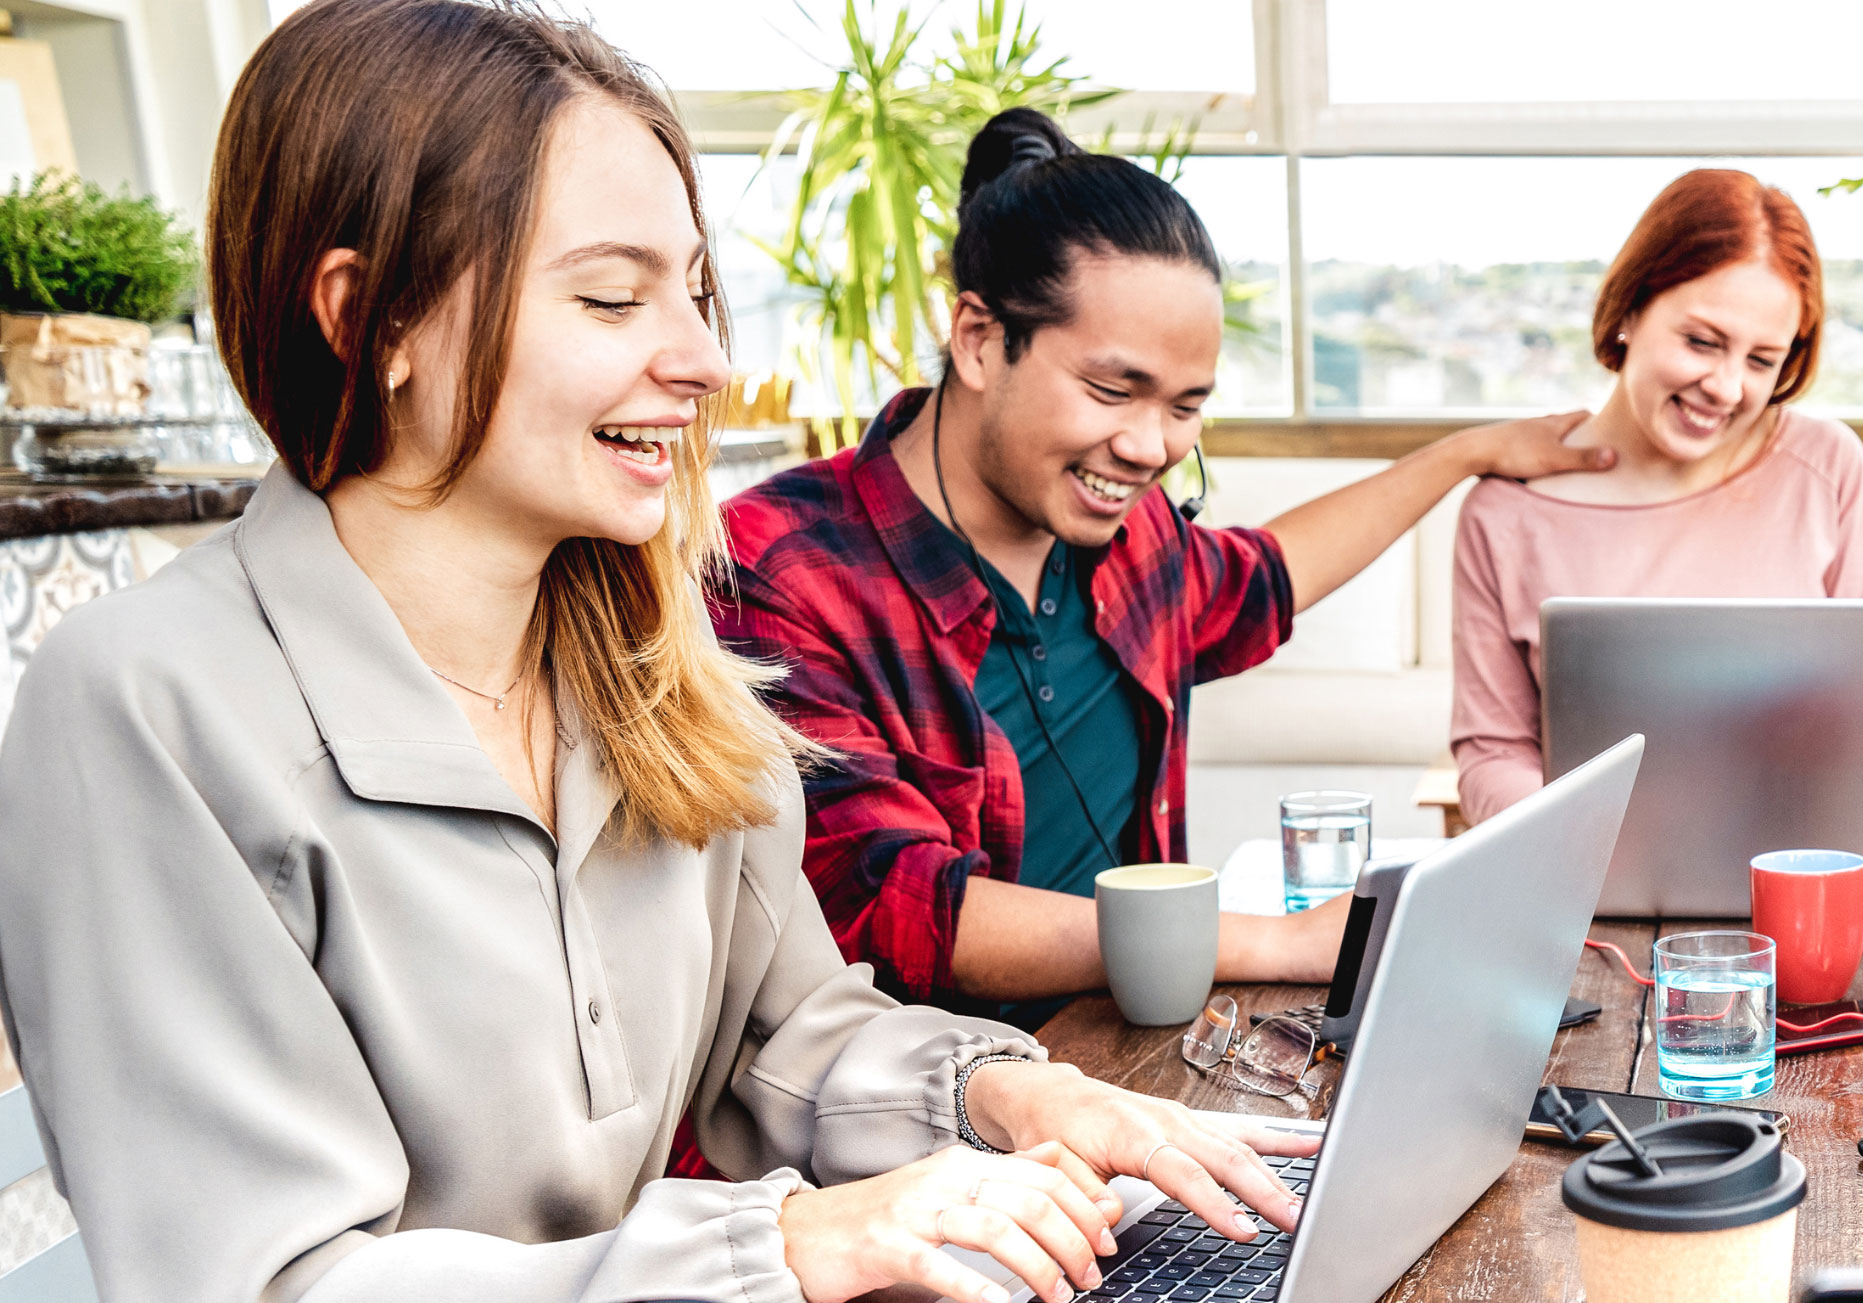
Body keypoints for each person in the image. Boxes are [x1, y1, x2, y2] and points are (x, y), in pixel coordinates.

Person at [0, 5, 1320, 1300]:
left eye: (694, 294)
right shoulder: (146, 706)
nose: (698, 361)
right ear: (373, 318)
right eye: (614, 295)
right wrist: (787, 1246)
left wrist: (1012, 1090)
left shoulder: (652, 657)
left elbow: (786, 1030)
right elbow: (272, 1278)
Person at [714, 106, 1615, 1015]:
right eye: (1113, 390)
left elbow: (1271, 573)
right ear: (980, 339)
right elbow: (893, 909)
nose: (1150, 447)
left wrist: (1464, 454)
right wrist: (1279, 940)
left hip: (1141, 1049)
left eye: (1186, 406)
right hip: (936, 1106)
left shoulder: (1123, 533)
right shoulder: (776, 571)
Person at [1450, 168, 1863, 826]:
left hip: (1794, 870)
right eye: (1702, 341)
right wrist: (1580, 841)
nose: (1725, 387)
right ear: (1631, 309)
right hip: (1590, 889)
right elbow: (1493, 753)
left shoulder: (1824, 468)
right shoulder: (1506, 513)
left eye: (1760, 360)